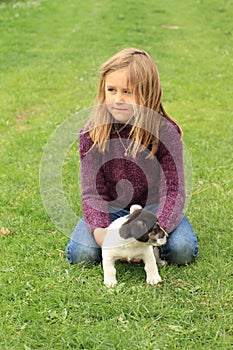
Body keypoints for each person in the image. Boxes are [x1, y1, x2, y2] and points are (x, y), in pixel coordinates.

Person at [66, 47, 198, 266]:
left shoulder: (165, 132)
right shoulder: (91, 133)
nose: (118, 99)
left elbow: (173, 190)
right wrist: (102, 235)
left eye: (127, 92)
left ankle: (157, 244)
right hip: (110, 208)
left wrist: (148, 233)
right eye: (111, 90)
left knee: (182, 250)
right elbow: (91, 193)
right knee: (82, 255)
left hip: (153, 209)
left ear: (148, 94)